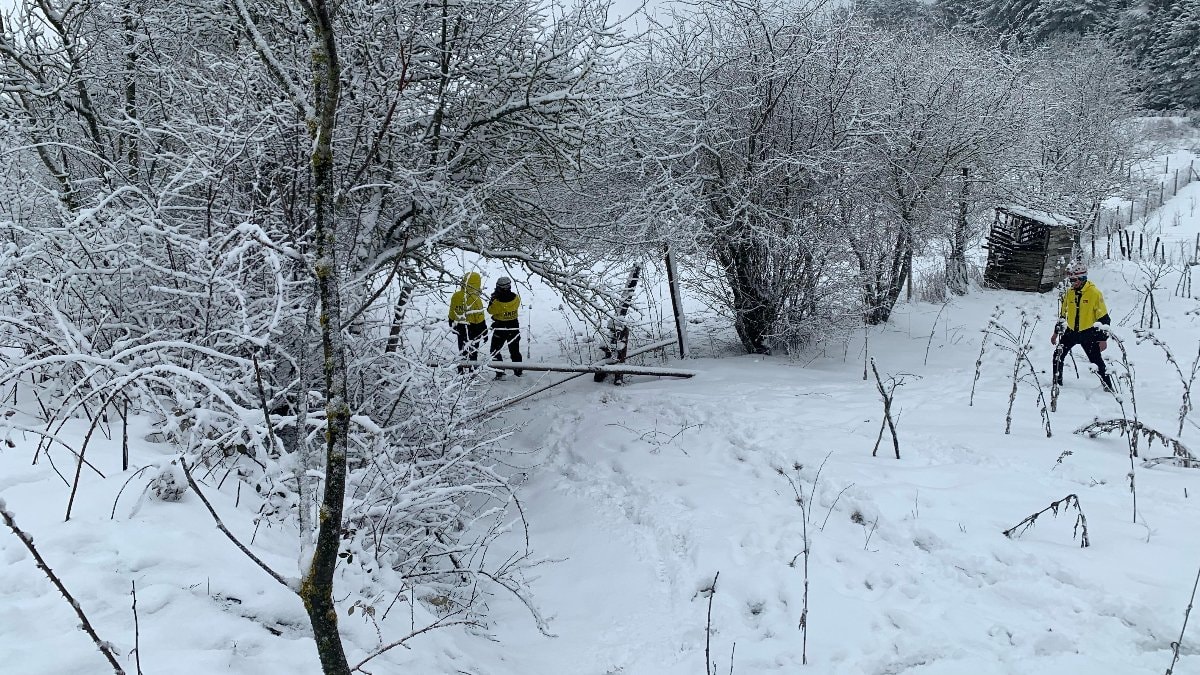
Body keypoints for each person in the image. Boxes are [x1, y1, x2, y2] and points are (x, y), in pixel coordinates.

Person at [1051, 262, 1113, 392]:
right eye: (1070, 280)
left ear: (1083, 278)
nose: (1072, 283)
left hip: (1088, 333)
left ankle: (1109, 388)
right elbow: (1063, 315)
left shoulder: (1094, 293)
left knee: (1097, 362)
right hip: (1071, 332)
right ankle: (1057, 383)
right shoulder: (1069, 293)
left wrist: (1103, 339)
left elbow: (1104, 318)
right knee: (1058, 355)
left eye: (1074, 280)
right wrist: (1056, 333)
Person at [448, 272, 487, 373]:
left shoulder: (456, 296)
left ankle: (461, 371)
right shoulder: (475, 299)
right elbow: (480, 317)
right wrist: (484, 331)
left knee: (462, 349)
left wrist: (451, 323)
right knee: (473, 351)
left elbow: (452, 311)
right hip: (474, 328)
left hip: (460, 327)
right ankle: (471, 371)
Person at [487, 276, 523, 379]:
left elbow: (490, 311)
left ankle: (500, 372)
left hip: (501, 327)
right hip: (514, 326)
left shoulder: (497, 302)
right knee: (515, 350)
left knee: (495, 350)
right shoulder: (516, 298)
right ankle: (518, 371)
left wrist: (492, 300)